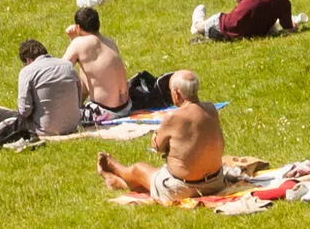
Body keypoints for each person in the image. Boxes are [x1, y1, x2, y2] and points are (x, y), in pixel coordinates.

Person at [95, 70, 225, 202]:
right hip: (216, 182)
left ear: (177, 93)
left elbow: (157, 146)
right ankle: (123, 182)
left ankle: (115, 169)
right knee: (159, 171)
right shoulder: (211, 109)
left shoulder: (174, 117)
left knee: (138, 169)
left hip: (182, 189)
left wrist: (157, 137)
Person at [63, 5, 129, 114]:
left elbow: (60, 70)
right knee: (84, 69)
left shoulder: (78, 43)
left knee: (63, 115)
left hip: (104, 111)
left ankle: (77, 105)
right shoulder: (109, 41)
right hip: (125, 107)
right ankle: (79, 104)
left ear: (78, 27)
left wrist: (72, 38)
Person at [14, 39, 80, 136]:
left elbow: (24, 111)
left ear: (27, 60)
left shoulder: (27, 71)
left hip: (44, 130)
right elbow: (78, 98)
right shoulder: (68, 66)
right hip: (73, 126)